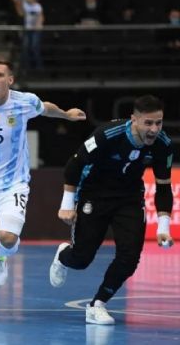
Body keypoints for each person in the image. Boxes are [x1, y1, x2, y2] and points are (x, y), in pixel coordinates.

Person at [0, 56, 85, 318]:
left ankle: (2, 257)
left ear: (10, 80)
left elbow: (45, 107)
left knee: (7, 237)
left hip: (13, 183)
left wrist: (65, 114)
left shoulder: (24, 102)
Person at [49, 95, 175, 325]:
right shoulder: (108, 134)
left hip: (128, 198)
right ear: (134, 120)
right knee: (81, 259)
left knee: (130, 257)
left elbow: (164, 187)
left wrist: (164, 227)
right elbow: (74, 165)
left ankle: (98, 304)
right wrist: (66, 205)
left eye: (158, 123)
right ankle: (62, 256)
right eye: (148, 123)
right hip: (94, 195)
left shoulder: (163, 144)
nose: (154, 129)